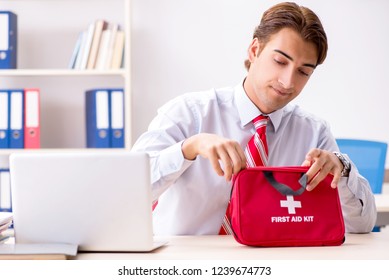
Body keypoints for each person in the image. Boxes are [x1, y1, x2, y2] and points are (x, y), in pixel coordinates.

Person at [132, 2, 376, 235]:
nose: (288, 81)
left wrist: (342, 171)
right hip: (187, 263)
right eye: (280, 61)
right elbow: (127, 191)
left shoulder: (314, 132)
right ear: (254, 50)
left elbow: (362, 225)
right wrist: (188, 148)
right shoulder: (188, 112)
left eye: (303, 72)